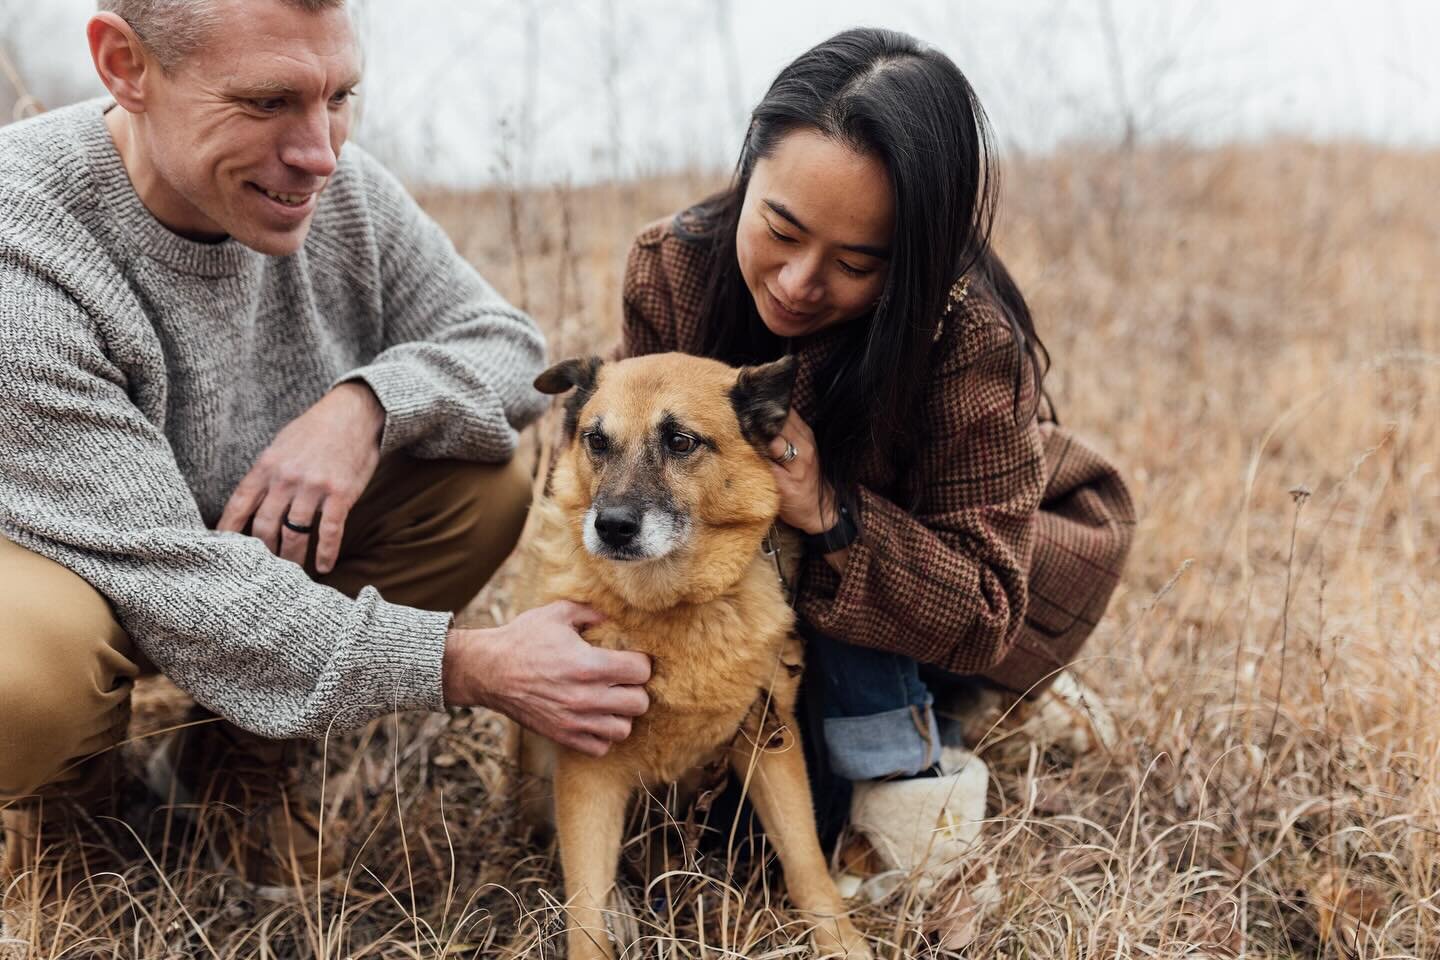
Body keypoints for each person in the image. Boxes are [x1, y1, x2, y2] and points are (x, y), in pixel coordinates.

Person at [0, 0, 652, 910]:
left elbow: (507, 347)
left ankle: (237, 751)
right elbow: (177, 581)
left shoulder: (334, 188)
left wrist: (367, 407)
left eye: (339, 95)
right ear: (125, 66)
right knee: (20, 677)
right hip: (75, 578)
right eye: (267, 101)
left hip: (221, 559)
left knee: (479, 477)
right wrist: (467, 665)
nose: (319, 151)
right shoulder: (21, 247)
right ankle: (74, 804)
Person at [617, 27, 1135, 900]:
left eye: (857, 264)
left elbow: (985, 607)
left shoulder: (969, 338)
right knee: (704, 825)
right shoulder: (673, 268)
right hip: (752, 589)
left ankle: (954, 717)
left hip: (931, 586)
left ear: (913, 263)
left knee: (785, 855)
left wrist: (825, 506)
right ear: (749, 169)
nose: (796, 282)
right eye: (779, 228)